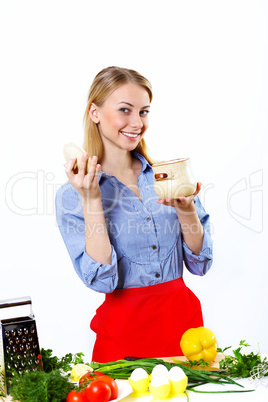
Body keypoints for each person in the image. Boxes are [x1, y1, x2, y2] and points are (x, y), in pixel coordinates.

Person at [55, 66, 213, 363]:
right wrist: (91, 199)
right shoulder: (72, 195)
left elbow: (201, 263)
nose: (137, 122)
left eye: (143, 112)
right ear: (95, 112)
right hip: (122, 343)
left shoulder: (167, 176)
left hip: (186, 335)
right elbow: (102, 280)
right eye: (125, 110)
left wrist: (187, 210)